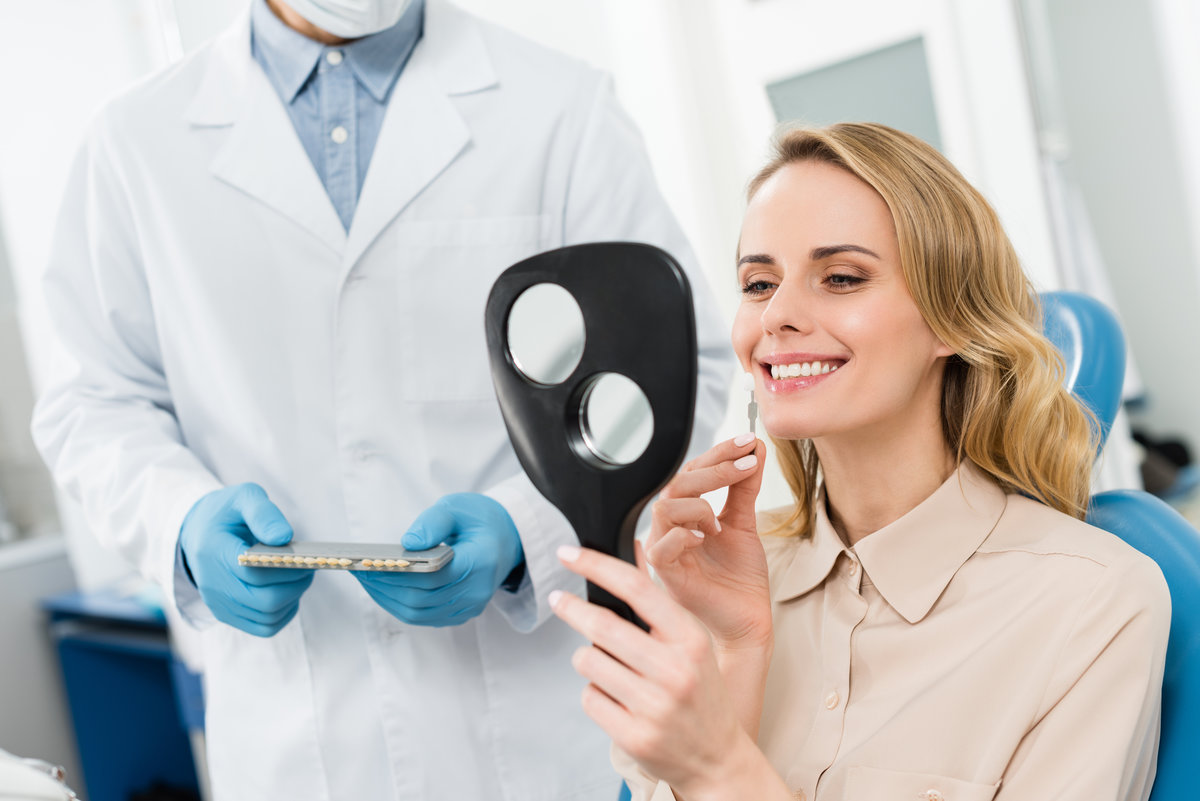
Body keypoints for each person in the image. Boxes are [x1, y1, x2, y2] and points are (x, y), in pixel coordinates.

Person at [30, 1, 734, 799]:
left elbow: (675, 364)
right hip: (296, 734)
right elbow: (91, 399)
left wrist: (528, 527)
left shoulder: (559, 105)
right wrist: (182, 523)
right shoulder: (134, 142)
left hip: (533, 730)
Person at [550, 123, 1171, 801]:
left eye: (841, 277)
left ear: (952, 321)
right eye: (758, 283)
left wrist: (719, 768)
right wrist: (739, 653)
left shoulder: (1094, 603)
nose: (777, 314)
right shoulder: (710, 583)